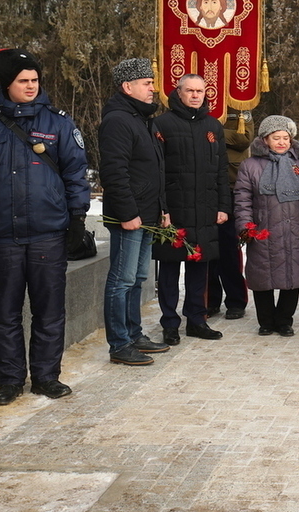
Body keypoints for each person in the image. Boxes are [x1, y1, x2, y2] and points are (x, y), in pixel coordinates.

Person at [0, 48, 89, 405]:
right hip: (2, 235)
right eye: (22, 81)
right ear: (7, 85)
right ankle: (10, 381)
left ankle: (46, 377)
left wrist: (76, 217)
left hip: (47, 232)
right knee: (5, 312)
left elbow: (76, 173)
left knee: (49, 311)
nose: (30, 86)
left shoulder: (58, 123)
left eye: (34, 80)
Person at [100, 57, 169, 366]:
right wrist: (128, 213)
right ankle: (119, 343)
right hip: (130, 216)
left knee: (139, 277)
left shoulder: (142, 119)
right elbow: (114, 172)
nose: (153, 88)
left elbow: (155, 169)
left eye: (151, 83)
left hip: (148, 214)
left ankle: (134, 334)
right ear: (128, 87)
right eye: (146, 83)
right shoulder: (117, 120)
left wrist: (162, 208)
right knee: (122, 279)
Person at [154, 74, 230, 344]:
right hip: (174, 212)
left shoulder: (213, 126)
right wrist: (162, 208)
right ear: (179, 92)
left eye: (201, 91)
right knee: (170, 270)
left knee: (201, 267)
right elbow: (157, 171)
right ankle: (170, 323)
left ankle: (197, 320)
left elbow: (221, 170)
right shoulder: (161, 124)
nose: (196, 95)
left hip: (206, 210)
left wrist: (223, 206)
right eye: (190, 91)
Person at [234, 115, 299, 336]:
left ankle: (285, 320)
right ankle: (266, 321)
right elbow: (242, 197)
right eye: (276, 138)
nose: (281, 142)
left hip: (295, 229)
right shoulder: (250, 165)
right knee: (262, 277)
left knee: (293, 275)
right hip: (263, 230)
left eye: (286, 138)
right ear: (265, 139)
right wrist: (245, 225)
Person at [206, 112, 252, 320]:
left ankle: (235, 300)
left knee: (229, 249)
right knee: (206, 248)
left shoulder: (240, 107)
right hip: (205, 188)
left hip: (233, 187)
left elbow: (243, 140)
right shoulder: (202, 110)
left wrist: (212, 131)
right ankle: (210, 300)